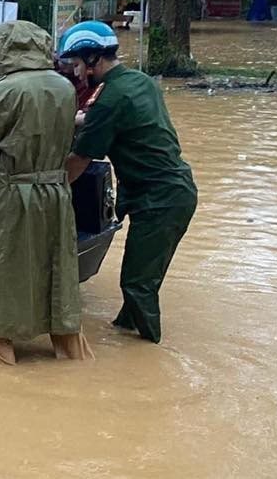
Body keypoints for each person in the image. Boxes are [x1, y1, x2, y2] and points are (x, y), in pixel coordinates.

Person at [0, 20, 92, 365]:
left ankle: (4, 368)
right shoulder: (65, 88)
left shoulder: (2, 92)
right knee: (55, 269)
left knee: (0, 273)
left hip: (11, 193)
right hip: (55, 193)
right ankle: (73, 359)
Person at [60, 20, 198, 344]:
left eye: (79, 64)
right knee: (142, 277)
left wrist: (46, 189)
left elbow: (79, 162)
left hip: (158, 200)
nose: (77, 73)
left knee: (137, 284)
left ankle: (150, 358)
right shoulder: (140, 81)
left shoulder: (111, 99)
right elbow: (99, 118)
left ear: (94, 59)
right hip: (174, 191)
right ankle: (125, 331)